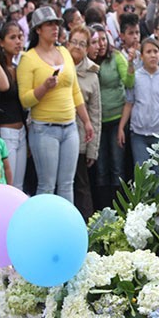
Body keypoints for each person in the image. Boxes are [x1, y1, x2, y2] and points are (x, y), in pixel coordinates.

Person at [17, 6, 94, 203]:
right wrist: (44, 87)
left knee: (68, 184)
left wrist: (86, 121)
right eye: (49, 24)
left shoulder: (64, 52)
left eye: (57, 24)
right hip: (44, 129)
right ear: (38, 30)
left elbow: (75, 90)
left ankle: (65, 230)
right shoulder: (28, 58)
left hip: (70, 127)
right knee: (47, 185)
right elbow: (25, 100)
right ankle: (44, 230)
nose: (55, 28)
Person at [117, 37, 159, 171]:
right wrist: (121, 127)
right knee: (142, 175)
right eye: (149, 52)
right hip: (139, 135)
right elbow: (129, 103)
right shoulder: (136, 77)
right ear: (142, 55)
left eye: (156, 51)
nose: (153, 55)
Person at [90, 22, 135, 209]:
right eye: (96, 40)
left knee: (117, 166)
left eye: (103, 39)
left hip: (117, 120)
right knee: (100, 168)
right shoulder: (89, 61)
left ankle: (119, 209)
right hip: (96, 123)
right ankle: (102, 209)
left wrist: (131, 64)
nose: (100, 44)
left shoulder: (116, 57)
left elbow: (129, 82)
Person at [67, 25, 102, 221]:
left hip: (80, 138)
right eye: (74, 42)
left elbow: (95, 114)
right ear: (67, 42)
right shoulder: (58, 64)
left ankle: (86, 227)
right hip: (57, 133)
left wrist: (92, 149)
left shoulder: (92, 74)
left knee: (81, 185)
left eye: (82, 44)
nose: (77, 47)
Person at [0, 21, 27, 191]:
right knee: (9, 188)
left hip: (22, 131)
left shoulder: (19, 66)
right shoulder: (2, 68)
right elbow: (4, 86)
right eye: (12, 38)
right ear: (1, 42)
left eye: (20, 37)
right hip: (6, 132)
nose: (18, 41)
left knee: (19, 186)